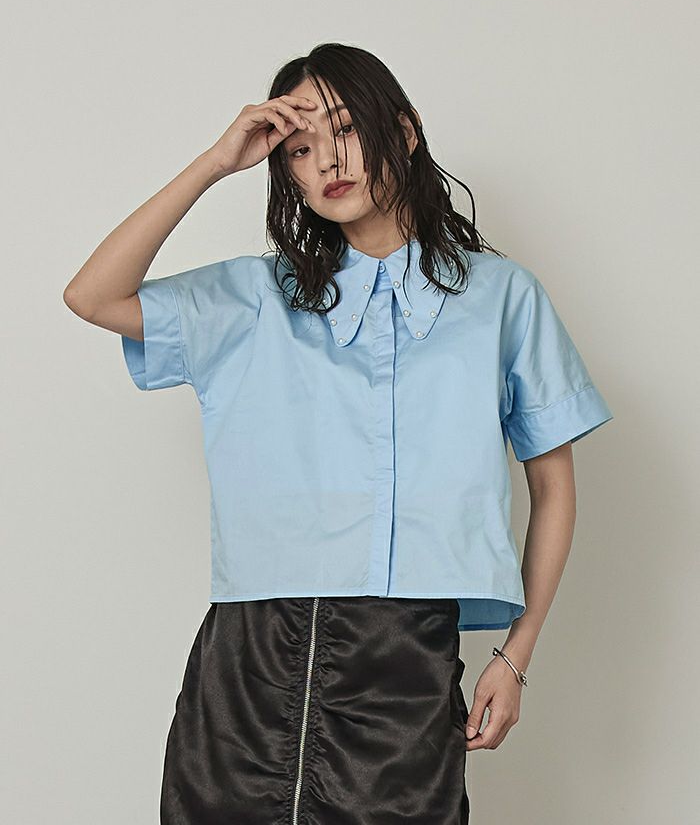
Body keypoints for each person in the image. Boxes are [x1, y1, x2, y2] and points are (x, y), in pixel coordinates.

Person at [63, 42, 613, 825]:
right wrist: (216, 163)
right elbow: (92, 296)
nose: (327, 160)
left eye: (347, 129)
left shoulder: (502, 298)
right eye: (299, 148)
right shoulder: (257, 297)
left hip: (404, 657)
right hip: (250, 656)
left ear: (405, 132)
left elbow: (554, 489)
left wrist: (515, 657)